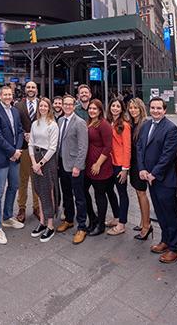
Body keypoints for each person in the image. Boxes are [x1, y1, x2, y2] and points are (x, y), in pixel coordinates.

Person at [136, 97, 177, 264]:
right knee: (160, 212)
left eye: (159, 108)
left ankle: (175, 248)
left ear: (164, 110)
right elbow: (139, 148)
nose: (155, 111)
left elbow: (167, 155)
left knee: (170, 214)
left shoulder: (171, 129)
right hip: (149, 177)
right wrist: (142, 169)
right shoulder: (146, 125)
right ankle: (165, 240)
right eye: (153, 108)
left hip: (164, 179)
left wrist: (154, 173)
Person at [0, 86, 26, 244]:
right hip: (2, 157)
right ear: (0, 96)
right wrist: (12, 151)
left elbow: (20, 131)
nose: (8, 97)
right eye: (5, 94)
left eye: (10, 94)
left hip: (14, 156)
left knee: (14, 186)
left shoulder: (15, 111)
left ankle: (8, 217)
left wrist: (17, 150)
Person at [54, 95, 90, 244]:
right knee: (67, 194)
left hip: (75, 166)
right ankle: (69, 219)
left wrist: (78, 166)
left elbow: (83, 146)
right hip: (63, 164)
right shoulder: (60, 120)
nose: (68, 106)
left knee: (79, 197)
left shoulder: (80, 122)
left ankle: (82, 227)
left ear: (74, 106)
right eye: (65, 104)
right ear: (62, 106)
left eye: (70, 104)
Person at [26, 97, 59, 242]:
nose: (43, 108)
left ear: (49, 108)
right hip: (36, 158)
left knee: (48, 192)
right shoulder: (35, 123)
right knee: (38, 191)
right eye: (41, 106)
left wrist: (40, 164)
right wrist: (34, 162)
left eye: (46, 106)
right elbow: (31, 143)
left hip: (47, 160)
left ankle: (50, 225)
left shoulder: (53, 125)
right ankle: (42, 222)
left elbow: (53, 148)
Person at [83, 99, 115, 237]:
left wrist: (98, 164)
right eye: (90, 108)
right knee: (83, 191)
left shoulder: (104, 125)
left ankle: (100, 224)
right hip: (88, 164)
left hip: (99, 166)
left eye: (95, 109)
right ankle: (93, 218)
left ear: (100, 111)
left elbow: (108, 147)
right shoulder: (89, 122)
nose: (92, 111)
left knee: (99, 195)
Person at [15, 81, 42, 224]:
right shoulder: (18, 106)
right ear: (25, 89)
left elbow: (47, 122)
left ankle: (37, 207)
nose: (31, 89)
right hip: (24, 147)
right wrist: (24, 133)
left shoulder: (43, 104)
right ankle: (21, 208)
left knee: (36, 179)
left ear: (37, 89)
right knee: (23, 179)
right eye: (28, 87)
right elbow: (15, 124)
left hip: (39, 148)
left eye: (33, 87)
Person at [127, 98, 154, 240]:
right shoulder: (132, 124)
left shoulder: (145, 124)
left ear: (141, 109)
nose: (133, 110)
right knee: (138, 193)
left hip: (141, 165)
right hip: (133, 163)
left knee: (142, 193)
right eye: (131, 108)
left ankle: (146, 226)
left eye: (135, 108)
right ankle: (143, 221)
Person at [104, 99, 132, 236]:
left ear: (121, 109)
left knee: (122, 193)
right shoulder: (108, 122)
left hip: (120, 165)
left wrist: (125, 168)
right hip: (109, 163)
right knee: (109, 190)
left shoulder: (124, 125)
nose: (115, 108)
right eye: (113, 106)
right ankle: (116, 217)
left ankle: (122, 224)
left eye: (118, 106)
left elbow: (127, 148)